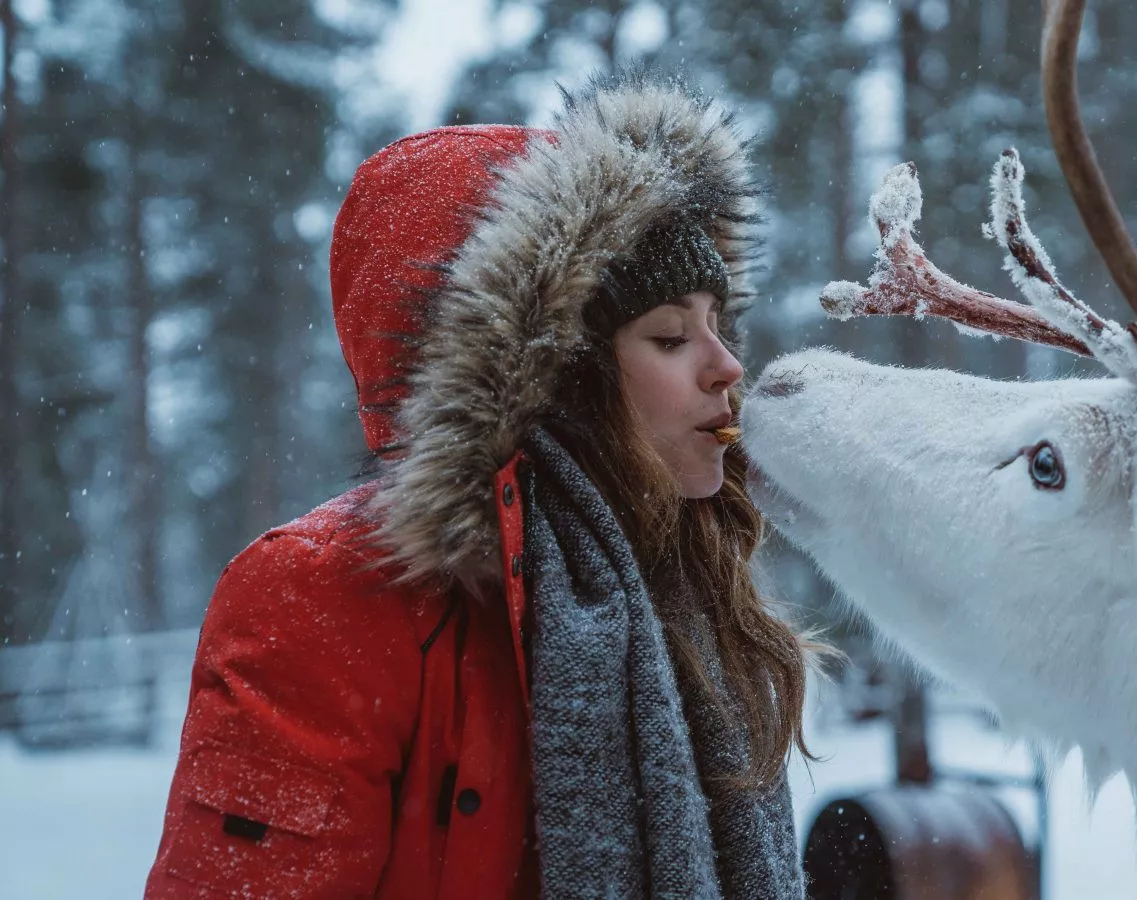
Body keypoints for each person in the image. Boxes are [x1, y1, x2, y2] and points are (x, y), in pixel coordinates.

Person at [145, 70, 817, 899]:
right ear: (556, 383)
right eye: (673, 336)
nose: (729, 367)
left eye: (721, 323)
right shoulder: (320, 597)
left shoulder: (685, 594)